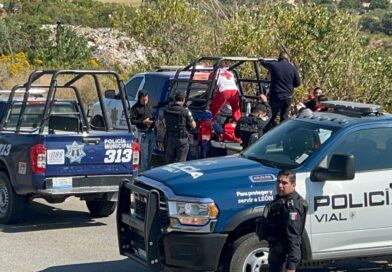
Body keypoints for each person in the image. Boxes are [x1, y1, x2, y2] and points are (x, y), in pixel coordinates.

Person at [258, 170, 308, 272]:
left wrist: (291, 266)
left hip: (284, 259)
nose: (280, 186)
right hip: (276, 255)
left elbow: (294, 237)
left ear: (293, 185)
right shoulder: (281, 201)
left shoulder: (292, 207)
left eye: (285, 183)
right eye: (278, 182)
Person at [261, 52, 301, 130]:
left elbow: (265, 63)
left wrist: (261, 60)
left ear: (279, 58)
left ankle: (268, 134)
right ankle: (282, 135)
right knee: (284, 117)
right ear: (287, 59)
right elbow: (298, 83)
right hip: (288, 97)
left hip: (276, 96)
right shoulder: (292, 68)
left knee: (271, 116)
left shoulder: (275, 65)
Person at [164, 91, 196, 163]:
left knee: (169, 162)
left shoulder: (167, 109)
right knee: (181, 163)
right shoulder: (185, 111)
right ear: (183, 99)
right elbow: (193, 125)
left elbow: (165, 121)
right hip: (182, 139)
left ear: (175, 99)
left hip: (170, 138)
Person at [131, 90, 155, 172]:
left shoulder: (150, 104)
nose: (145, 102)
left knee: (150, 153)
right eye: (143, 100)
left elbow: (159, 104)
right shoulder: (135, 108)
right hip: (142, 132)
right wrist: (143, 122)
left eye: (146, 100)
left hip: (151, 132)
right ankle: (144, 171)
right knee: (144, 154)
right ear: (139, 99)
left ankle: (148, 168)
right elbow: (132, 120)